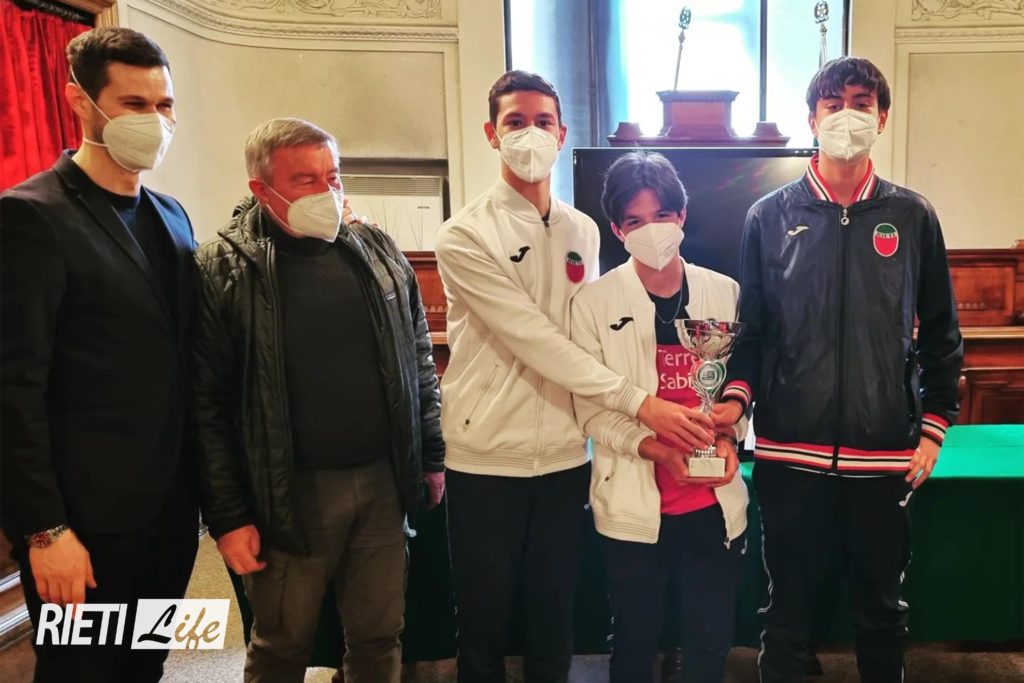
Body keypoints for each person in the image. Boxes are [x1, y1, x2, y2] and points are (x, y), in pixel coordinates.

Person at [435, 71, 715, 683]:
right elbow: (535, 340)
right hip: (486, 457)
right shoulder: (463, 235)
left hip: (564, 456)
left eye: (543, 122)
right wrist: (640, 403)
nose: (530, 134)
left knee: (553, 619)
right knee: (483, 624)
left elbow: (586, 335)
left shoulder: (582, 229)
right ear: (491, 133)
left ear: (562, 134)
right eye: (515, 122)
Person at [714, 57, 964, 683]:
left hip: (881, 454)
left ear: (882, 117)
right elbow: (753, 331)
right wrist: (735, 403)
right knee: (786, 614)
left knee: (881, 612)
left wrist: (933, 428)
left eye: (860, 103)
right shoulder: (768, 216)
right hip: (789, 453)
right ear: (812, 118)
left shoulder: (913, 216)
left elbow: (942, 332)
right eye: (833, 104)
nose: (846, 115)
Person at [191, 117, 445, 683]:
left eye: (333, 176)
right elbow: (205, 406)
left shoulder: (376, 249)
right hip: (286, 495)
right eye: (305, 180)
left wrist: (431, 454)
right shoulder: (220, 269)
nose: (326, 192)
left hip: (381, 484)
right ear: (262, 189)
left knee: (380, 636)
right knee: (281, 645)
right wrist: (228, 517)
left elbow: (417, 358)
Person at [0, 27, 198, 682]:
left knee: (144, 666)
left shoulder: (173, 215)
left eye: (164, 104)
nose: (155, 121)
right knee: (80, 672)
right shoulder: (30, 216)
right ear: (79, 102)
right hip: (81, 525)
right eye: (134, 104)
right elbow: (13, 388)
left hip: (169, 516)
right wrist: (43, 530)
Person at [570, 151, 749, 683]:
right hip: (633, 507)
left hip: (713, 505)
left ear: (682, 215)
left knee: (710, 645)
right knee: (633, 643)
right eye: (635, 221)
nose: (652, 230)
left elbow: (741, 388)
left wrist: (729, 437)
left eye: (662, 215)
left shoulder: (725, 292)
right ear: (616, 230)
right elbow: (590, 412)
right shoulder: (593, 303)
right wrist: (656, 448)